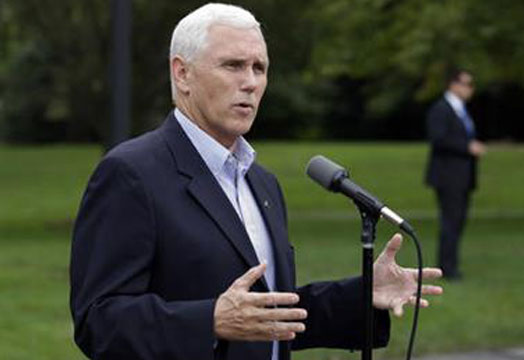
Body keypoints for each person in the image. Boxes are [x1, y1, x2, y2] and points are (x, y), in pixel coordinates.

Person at [70, 3, 443, 360]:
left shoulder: (262, 183)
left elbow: (267, 314)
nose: (250, 82)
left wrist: (361, 296)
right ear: (182, 73)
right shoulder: (131, 173)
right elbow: (99, 321)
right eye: (233, 65)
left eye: (259, 68)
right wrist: (210, 321)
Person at [425, 68, 486, 280]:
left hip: (462, 177)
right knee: (450, 222)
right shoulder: (442, 109)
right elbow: (438, 139)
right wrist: (468, 147)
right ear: (453, 85)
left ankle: (450, 265)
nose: (471, 89)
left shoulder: (461, 110)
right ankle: (447, 268)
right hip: (448, 177)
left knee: (457, 221)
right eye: (467, 84)